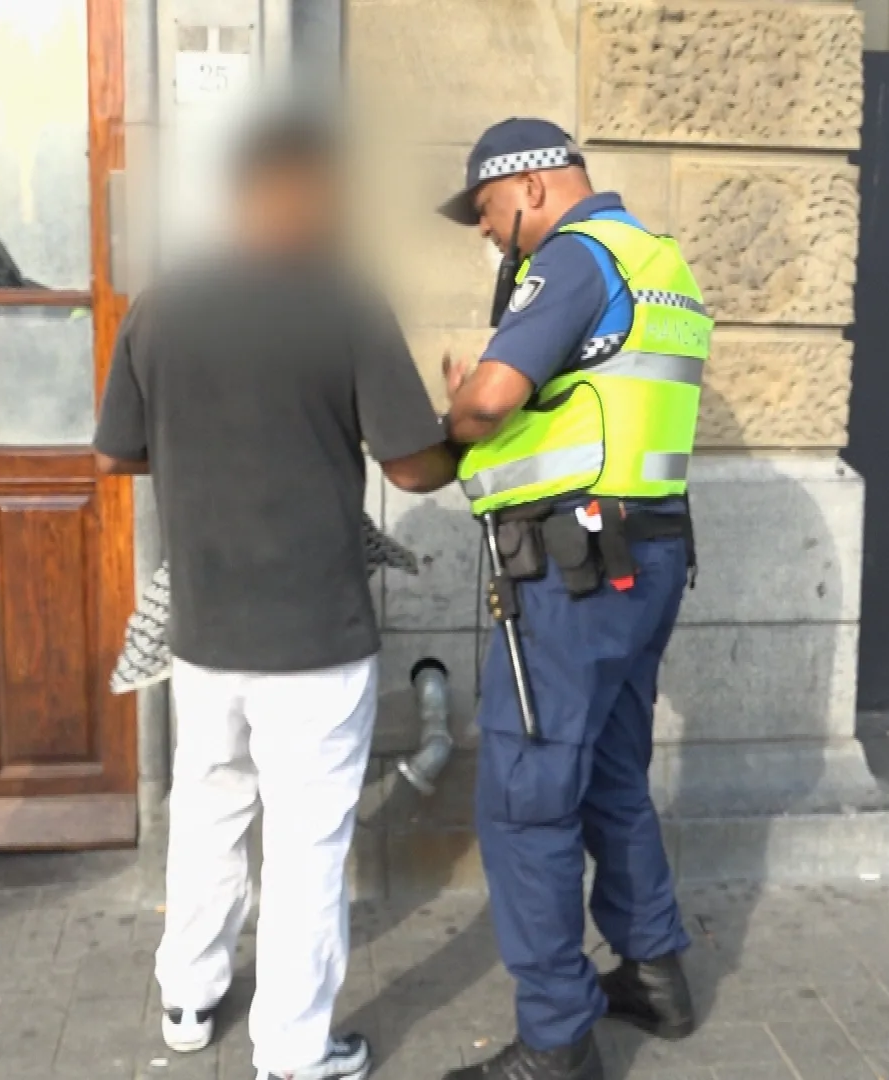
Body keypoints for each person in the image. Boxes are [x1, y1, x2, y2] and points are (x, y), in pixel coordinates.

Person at [92, 111, 459, 1080]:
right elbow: (413, 467)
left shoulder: (161, 306)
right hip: (315, 636)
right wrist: (463, 432)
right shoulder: (343, 305)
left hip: (206, 628)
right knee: (306, 845)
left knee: (208, 809)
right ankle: (294, 1052)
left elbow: (117, 453)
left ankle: (189, 996)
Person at [434, 118, 712, 1080]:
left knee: (526, 797)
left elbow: (491, 402)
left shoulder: (572, 258)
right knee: (611, 774)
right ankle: (656, 975)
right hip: (650, 556)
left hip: (574, 571)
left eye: (485, 211)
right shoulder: (659, 260)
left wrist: (459, 407)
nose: (485, 232)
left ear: (532, 187)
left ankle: (556, 1041)